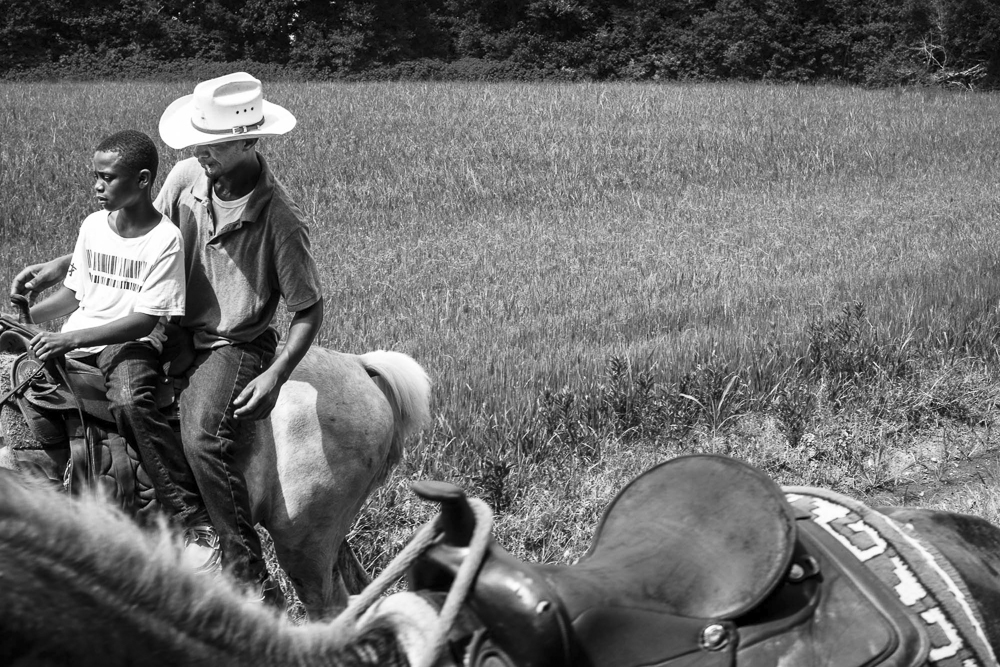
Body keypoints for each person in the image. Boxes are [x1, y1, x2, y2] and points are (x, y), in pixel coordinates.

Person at [11, 73, 324, 606]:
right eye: (199, 140)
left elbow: (308, 310)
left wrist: (275, 375)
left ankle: (242, 571)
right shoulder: (186, 173)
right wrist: (63, 266)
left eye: (216, 144)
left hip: (229, 343)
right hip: (167, 325)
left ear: (251, 141)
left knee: (203, 435)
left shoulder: (280, 219)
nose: (203, 152)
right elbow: (133, 228)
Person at [23, 129, 220, 573]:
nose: (97, 186)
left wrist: (69, 339)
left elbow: (146, 320)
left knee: (131, 402)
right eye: (95, 176)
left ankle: (194, 519)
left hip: (128, 346)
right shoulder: (93, 226)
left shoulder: (164, 239)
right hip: (77, 337)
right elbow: (75, 295)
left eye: (108, 178)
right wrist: (29, 316)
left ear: (144, 179)